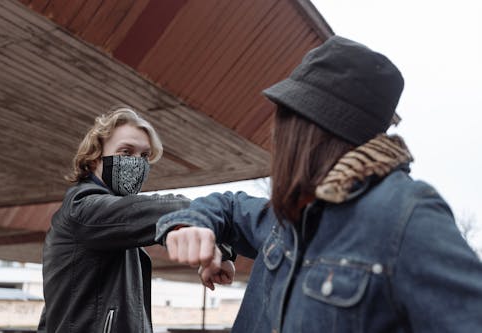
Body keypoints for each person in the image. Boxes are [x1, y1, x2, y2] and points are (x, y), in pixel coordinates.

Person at [156, 36, 482, 332]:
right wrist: (196, 225)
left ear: (306, 130)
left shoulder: (406, 214)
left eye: (283, 121)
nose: (276, 135)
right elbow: (228, 205)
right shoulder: (292, 212)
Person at [37, 107, 204, 333]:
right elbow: (150, 213)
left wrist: (220, 249)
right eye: (126, 152)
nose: (137, 163)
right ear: (95, 158)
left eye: (144, 156)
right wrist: (213, 211)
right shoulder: (84, 208)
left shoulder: (115, 224)